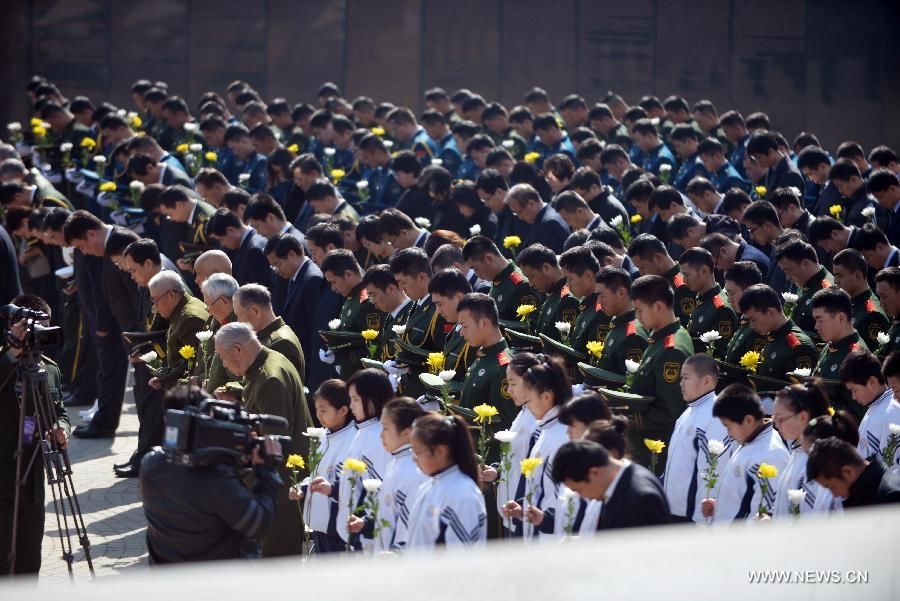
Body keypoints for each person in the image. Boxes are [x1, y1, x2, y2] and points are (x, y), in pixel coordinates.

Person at [140, 386, 283, 563]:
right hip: (217, 582)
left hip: (168, 577)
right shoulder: (217, 481)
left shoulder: (150, 465)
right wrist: (267, 471)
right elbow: (258, 523)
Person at [214, 322, 308, 557]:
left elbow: (274, 444)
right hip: (281, 485)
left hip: (281, 489)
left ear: (238, 349)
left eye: (224, 358)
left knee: (277, 562)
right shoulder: (269, 361)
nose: (224, 365)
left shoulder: (270, 379)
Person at [0, 295, 70, 576]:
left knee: (30, 560)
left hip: (33, 478)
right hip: (3, 479)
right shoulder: (5, 360)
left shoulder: (49, 368)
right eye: (35, 328)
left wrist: (62, 430)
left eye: (46, 327)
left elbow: (60, 412)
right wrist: (11, 354)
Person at [310, 369, 393, 550]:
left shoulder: (380, 436)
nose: (352, 405)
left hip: (369, 537)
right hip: (352, 531)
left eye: (355, 399)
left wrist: (366, 526)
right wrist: (332, 489)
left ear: (372, 399)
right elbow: (354, 480)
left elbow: (381, 491)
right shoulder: (362, 431)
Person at [500, 354, 572, 538]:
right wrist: (522, 509)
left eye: (530, 400)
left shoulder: (560, 437)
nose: (528, 406)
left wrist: (540, 518)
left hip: (550, 536)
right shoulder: (547, 429)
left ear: (546, 396)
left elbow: (561, 498)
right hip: (536, 528)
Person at [627, 275, 694, 471]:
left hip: (655, 448)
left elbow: (668, 410)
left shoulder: (671, 349)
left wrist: (628, 420)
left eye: (639, 310)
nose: (637, 317)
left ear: (658, 306)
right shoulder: (661, 337)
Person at [347, 397, 427, 551]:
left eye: (385, 428)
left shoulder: (414, 471)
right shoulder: (395, 463)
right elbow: (388, 515)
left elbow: (411, 529)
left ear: (406, 433)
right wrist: (366, 523)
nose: (381, 435)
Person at [701, 384, 790, 523]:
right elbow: (743, 496)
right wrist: (719, 506)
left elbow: (762, 516)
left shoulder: (772, 455)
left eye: (729, 427)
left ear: (748, 420)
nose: (728, 434)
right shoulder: (750, 440)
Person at [664, 354, 733, 523]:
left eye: (686, 378)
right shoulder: (688, 411)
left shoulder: (715, 417)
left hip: (692, 519)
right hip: (674, 511)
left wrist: (702, 522)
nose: (680, 383)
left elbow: (712, 473)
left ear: (706, 381)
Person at [405, 413, 487, 549]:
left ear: (440, 451)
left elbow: (460, 561)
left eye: (418, 452)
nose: (414, 458)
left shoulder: (463, 495)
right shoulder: (427, 486)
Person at [551, 439, 671, 530]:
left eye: (578, 490)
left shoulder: (642, 499)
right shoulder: (617, 484)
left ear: (594, 473)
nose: (581, 497)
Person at [294, 380, 356, 554]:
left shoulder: (353, 439)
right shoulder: (324, 436)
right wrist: (302, 488)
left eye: (323, 410)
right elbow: (317, 475)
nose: (318, 415)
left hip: (338, 526)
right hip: (319, 522)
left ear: (343, 410)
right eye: (317, 410)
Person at [769, 381, 831, 518]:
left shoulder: (815, 460)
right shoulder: (798, 450)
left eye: (780, 419)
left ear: (802, 416)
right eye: (774, 419)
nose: (776, 425)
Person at [456, 293, 517, 428]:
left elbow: (505, 425)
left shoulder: (503, 367)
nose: (461, 333)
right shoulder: (483, 355)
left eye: (465, 326)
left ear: (484, 323)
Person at [738, 284, 818, 382]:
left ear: (770, 312)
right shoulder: (772, 336)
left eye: (753, 319)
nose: (752, 326)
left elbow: (802, 392)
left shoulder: (799, 347)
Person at [147, 271, 209, 390]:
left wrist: (165, 380)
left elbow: (191, 367)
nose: (154, 306)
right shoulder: (183, 309)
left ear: (171, 295)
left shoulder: (190, 319)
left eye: (155, 300)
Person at [839, 350, 900, 464]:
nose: (853, 397)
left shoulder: (890, 414)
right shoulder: (877, 406)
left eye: (854, 390)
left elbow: (889, 467)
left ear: (872, 382)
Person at [462, 236, 540, 323]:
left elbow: (530, 328)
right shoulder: (495, 280)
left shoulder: (521, 286)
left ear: (489, 259)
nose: (476, 274)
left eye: (476, 268)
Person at [806, 437, 900, 508]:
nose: (834, 494)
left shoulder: (891, 498)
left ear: (847, 472)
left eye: (831, 487)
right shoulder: (863, 497)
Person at [679, 247, 738, 358]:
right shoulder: (701, 299)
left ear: (704, 271)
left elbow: (719, 355)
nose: (684, 280)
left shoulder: (721, 309)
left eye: (687, 275)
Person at [627, 234, 695, 326]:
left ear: (657, 258)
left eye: (642, 267)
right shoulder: (654, 283)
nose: (641, 273)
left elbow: (686, 325)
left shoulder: (682, 285)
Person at [516, 244, 580, 343]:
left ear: (546, 267)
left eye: (531, 277)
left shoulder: (566, 300)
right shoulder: (549, 294)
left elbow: (567, 346)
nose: (531, 284)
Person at [774, 239, 834, 338]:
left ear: (805, 264)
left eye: (788, 271)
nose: (787, 277)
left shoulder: (827, 291)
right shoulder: (806, 284)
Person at [832, 248, 890, 350]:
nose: (835, 281)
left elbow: (875, 356)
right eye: (834, 275)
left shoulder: (872, 315)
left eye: (839, 275)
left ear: (857, 276)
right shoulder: (848, 303)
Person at [205, 208, 272, 288]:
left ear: (231, 230)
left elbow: (263, 289)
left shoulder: (253, 250)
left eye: (221, 239)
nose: (222, 244)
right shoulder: (243, 246)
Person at [723, 262, 769, 366]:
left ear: (749, 291)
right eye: (727, 293)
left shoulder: (759, 327)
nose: (729, 300)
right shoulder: (746, 319)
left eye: (732, 293)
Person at [506, 183, 571, 255]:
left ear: (531, 203)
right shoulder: (542, 220)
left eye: (519, 212)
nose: (520, 217)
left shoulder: (549, 224)